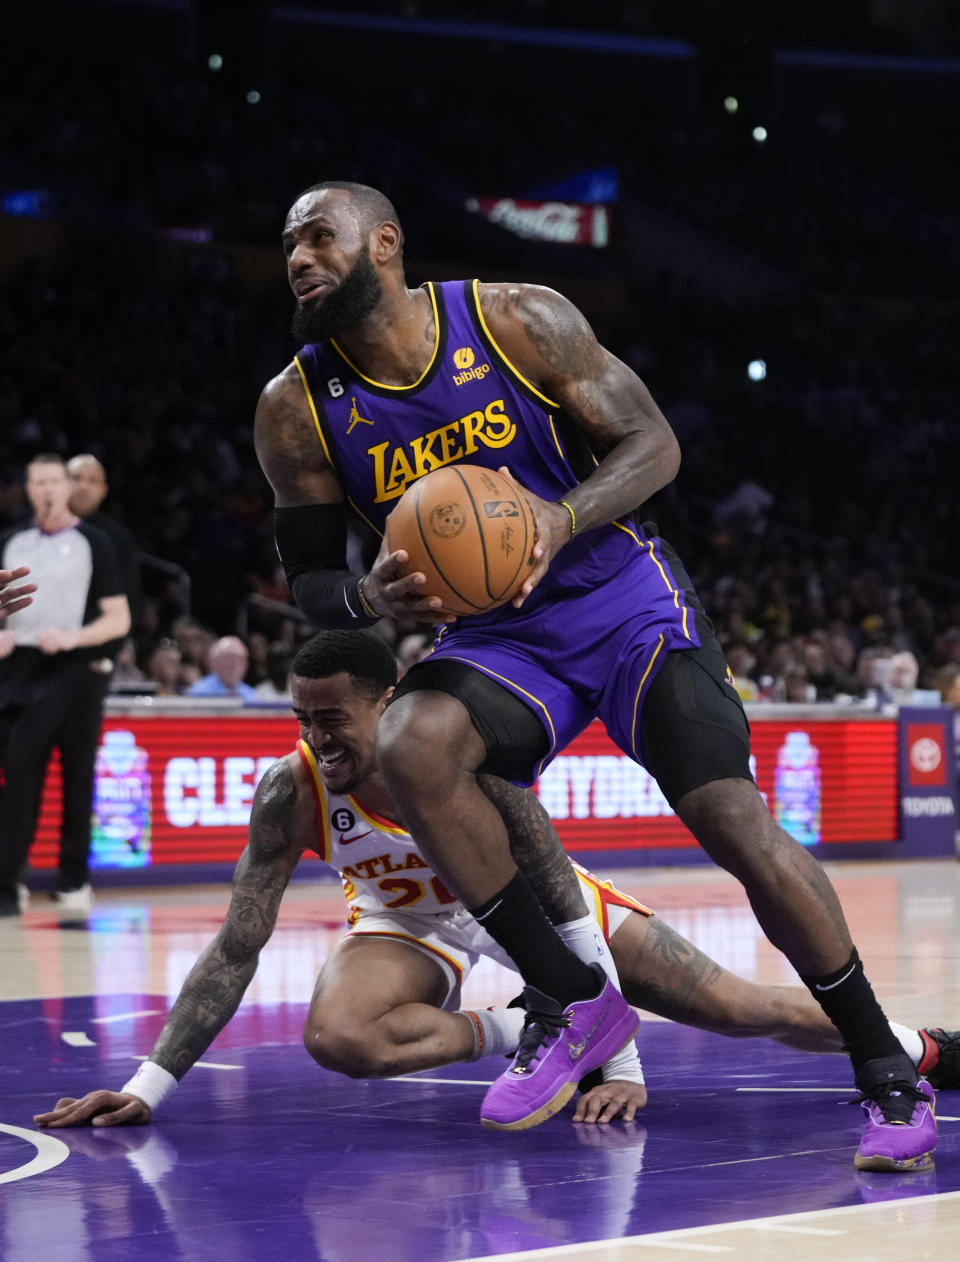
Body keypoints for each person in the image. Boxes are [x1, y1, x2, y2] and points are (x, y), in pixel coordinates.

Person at [253, 181, 934, 1167]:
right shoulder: (297, 407)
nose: (299, 257)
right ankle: (576, 1004)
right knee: (411, 741)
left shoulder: (513, 317)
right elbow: (309, 573)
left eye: (319, 236)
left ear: (387, 244)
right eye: (287, 245)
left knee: (733, 822)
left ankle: (886, 1067)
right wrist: (368, 601)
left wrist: (555, 519)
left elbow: (654, 443)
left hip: (623, 597)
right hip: (499, 636)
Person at [34, 631, 958, 1138]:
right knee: (337, 1034)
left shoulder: (463, 757)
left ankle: (919, 1047)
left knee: (751, 1010)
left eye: (335, 719)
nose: (319, 739)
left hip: (542, 920)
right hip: (412, 924)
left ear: (388, 703)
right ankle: (522, 1026)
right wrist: (148, 1087)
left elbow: (558, 893)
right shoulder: (294, 787)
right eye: (303, 719)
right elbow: (240, 944)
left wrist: (619, 1060)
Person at [0, 455, 131, 916]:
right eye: (39, 482)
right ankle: (9, 878)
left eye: (55, 481)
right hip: (18, 668)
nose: (48, 490)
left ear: (66, 487)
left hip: (75, 668)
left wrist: (75, 638)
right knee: (17, 772)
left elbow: (119, 617)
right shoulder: (12, 542)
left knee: (76, 775)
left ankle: (73, 878)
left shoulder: (93, 542)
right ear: (29, 489)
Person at [67, 453, 143, 669]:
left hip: (92, 657)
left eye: (92, 481)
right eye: (77, 478)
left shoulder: (117, 539)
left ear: (103, 491)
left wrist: (106, 651)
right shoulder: (34, 535)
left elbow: (128, 601)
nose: (83, 486)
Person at [186, 635, 259, 700]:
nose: (235, 663)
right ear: (214, 661)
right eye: (230, 657)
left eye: (240, 658)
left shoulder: (252, 695)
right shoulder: (199, 692)